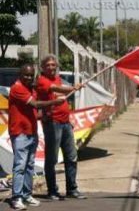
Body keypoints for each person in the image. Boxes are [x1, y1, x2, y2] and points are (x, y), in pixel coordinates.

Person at [8, 64, 65, 210]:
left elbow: (31, 111)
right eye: (26, 75)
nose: (28, 78)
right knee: (20, 166)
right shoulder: (17, 88)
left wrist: (43, 115)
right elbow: (35, 104)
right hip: (19, 133)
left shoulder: (30, 89)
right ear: (20, 74)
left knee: (29, 166)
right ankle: (17, 197)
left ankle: (26, 195)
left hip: (31, 132)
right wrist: (54, 102)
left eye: (31, 75)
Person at [36, 55, 86, 200]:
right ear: (43, 68)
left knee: (71, 156)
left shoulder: (57, 78)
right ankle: (52, 190)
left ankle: (72, 189)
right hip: (52, 123)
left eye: (53, 65)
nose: (51, 67)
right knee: (51, 159)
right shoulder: (42, 81)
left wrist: (69, 120)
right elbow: (55, 88)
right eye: (48, 65)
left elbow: (60, 89)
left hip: (65, 123)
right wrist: (73, 88)